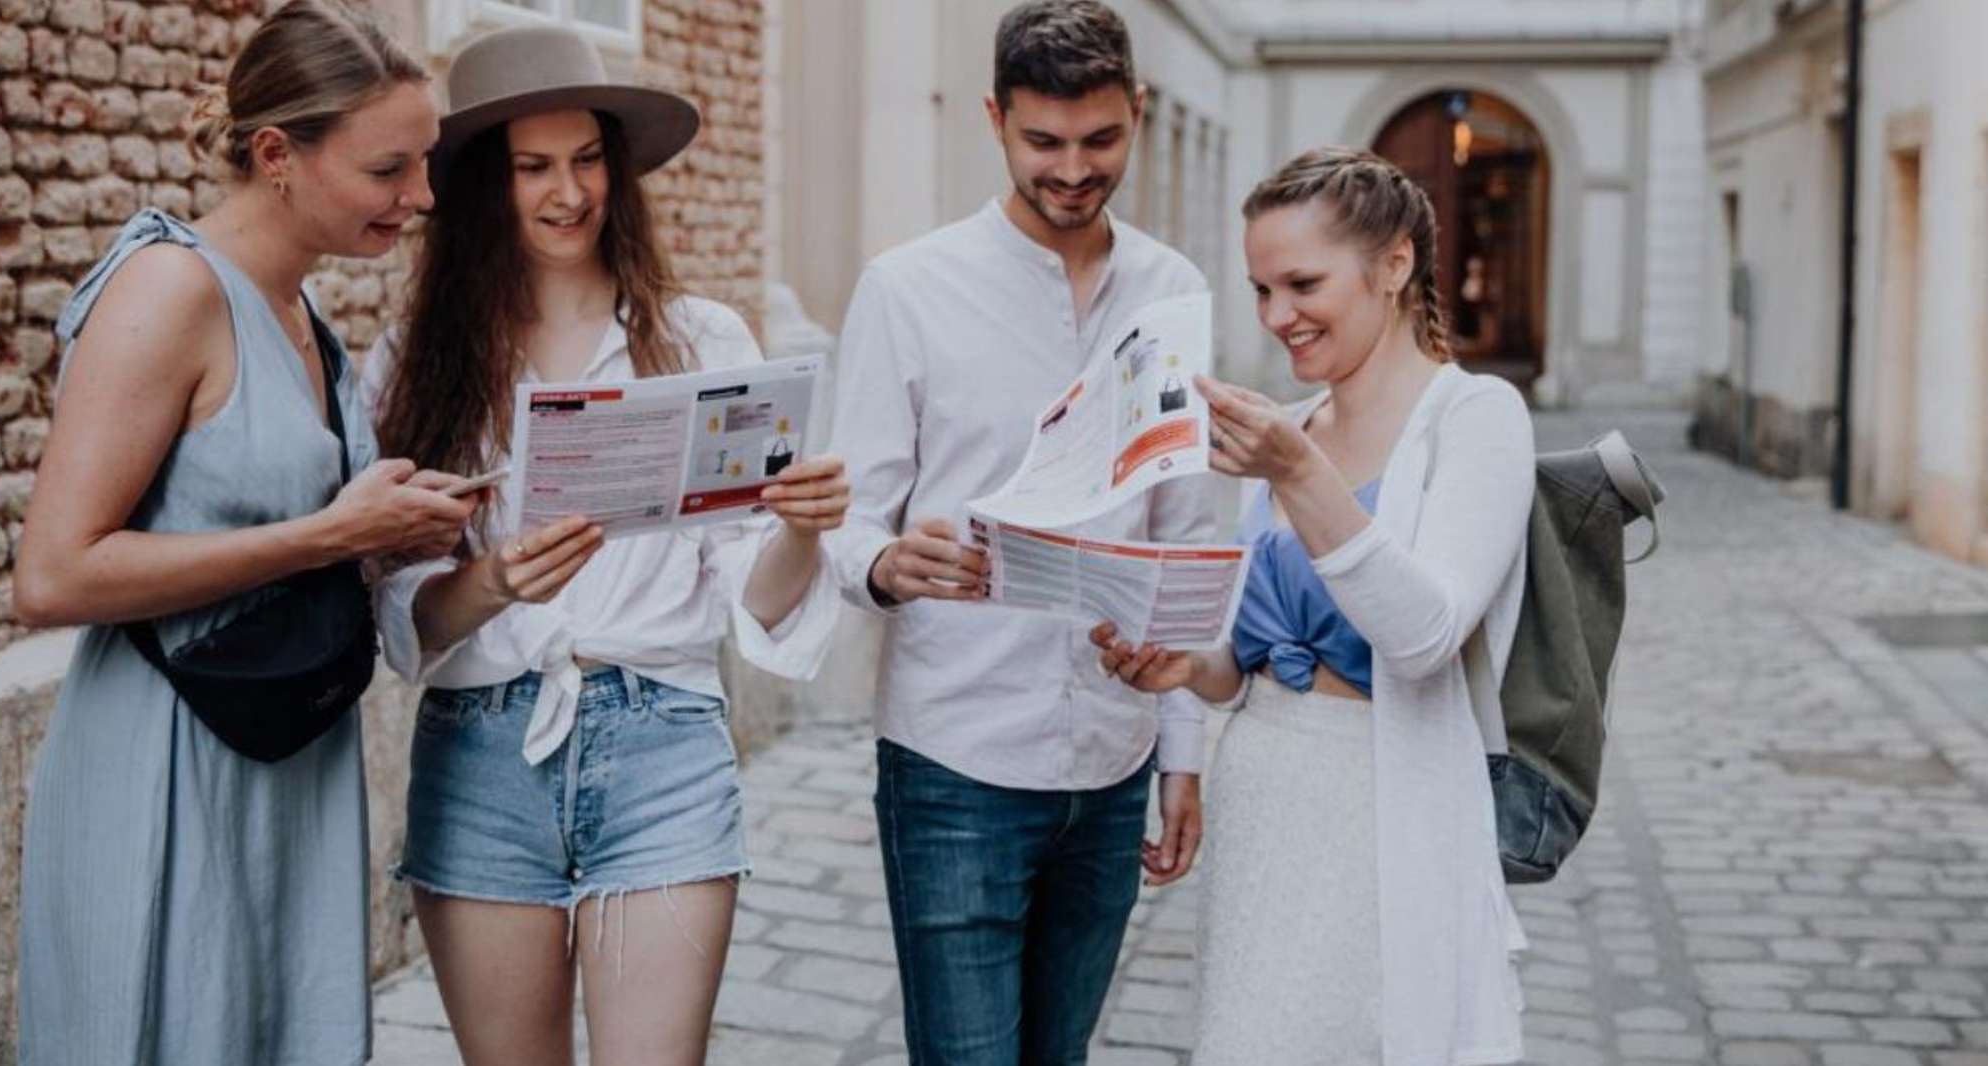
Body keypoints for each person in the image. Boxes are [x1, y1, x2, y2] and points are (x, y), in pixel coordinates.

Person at [365, 26, 848, 1066]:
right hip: (483, 752)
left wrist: (803, 530)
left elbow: (756, 593)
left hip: (662, 742)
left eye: (588, 160)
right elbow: (401, 616)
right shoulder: (413, 361)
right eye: (534, 167)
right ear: (485, 184)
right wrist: (494, 582)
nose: (569, 192)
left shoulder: (702, 339)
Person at [10, 2, 475, 1062]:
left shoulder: (302, 313)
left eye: (424, 163)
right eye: (389, 169)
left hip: (287, 753)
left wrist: (390, 532)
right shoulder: (168, 288)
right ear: (276, 156)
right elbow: (52, 575)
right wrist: (329, 535)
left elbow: (279, 529)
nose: (421, 196)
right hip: (168, 753)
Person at [825, 2, 1211, 1061]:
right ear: (995, 119)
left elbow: (1181, 534)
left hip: (1115, 757)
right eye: (1044, 141)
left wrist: (1182, 756)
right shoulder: (908, 288)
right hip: (956, 758)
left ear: (1136, 113)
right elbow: (847, 520)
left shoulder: (1174, 292)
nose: (1074, 170)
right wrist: (884, 562)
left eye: (1100, 140)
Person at [1092, 147, 1534, 1065]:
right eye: (1261, 290)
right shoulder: (1290, 428)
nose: (1276, 316)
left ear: (1394, 265)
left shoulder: (1475, 417)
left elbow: (1425, 637)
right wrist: (1187, 664)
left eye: (1302, 284)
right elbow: (1245, 666)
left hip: (1386, 808)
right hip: (1264, 803)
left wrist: (1299, 474)